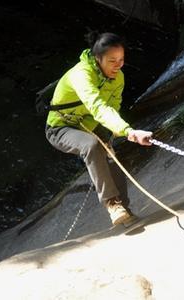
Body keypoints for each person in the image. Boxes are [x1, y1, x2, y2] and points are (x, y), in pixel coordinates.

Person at [45, 31, 153, 225]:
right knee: (92, 146)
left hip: (91, 123)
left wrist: (110, 132)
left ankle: (125, 212)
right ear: (97, 58)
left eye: (121, 59)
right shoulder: (81, 75)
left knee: (111, 158)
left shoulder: (118, 77)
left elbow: (113, 107)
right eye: (112, 60)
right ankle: (112, 204)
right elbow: (97, 106)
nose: (118, 65)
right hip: (60, 127)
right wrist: (128, 131)